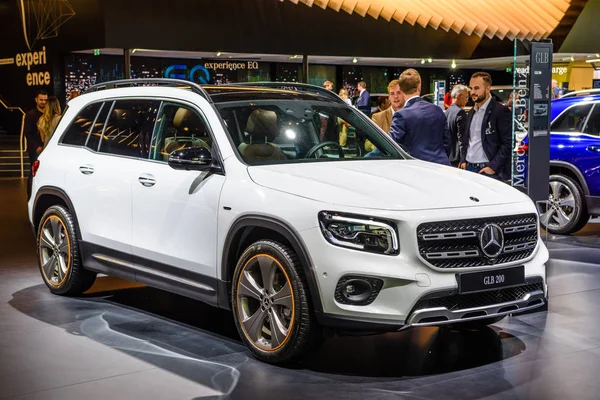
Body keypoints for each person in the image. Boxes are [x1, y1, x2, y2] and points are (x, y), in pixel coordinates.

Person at [389, 69, 450, 165]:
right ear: (419, 87)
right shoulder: (437, 110)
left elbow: (390, 144)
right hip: (442, 166)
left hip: (418, 169)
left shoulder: (401, 115)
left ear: (400, 89)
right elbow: (447, 143)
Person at [459, 72, 512, 180]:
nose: (473, 92)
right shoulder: (471, 112)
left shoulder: (500, 111)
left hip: (487, 170)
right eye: (471, 88)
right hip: (469, 168)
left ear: (488, 89)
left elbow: (508, 143)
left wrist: (493, 167)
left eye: (477, 88)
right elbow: (467, 139)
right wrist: (463, 160)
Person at [24, 90, 48, 199]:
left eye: (45, 100)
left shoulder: (48, 114)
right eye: (41, 100)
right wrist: (36, 147)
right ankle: (30, 196)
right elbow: (28, 133)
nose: (43, 102)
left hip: (47, 149)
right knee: (33, 173)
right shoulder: (31, 115)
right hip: (36, 150)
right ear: (36, 100)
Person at [445, 85, 469, 167]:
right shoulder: (460, 113)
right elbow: (462, 138)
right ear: (459, 96)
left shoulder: (447, 112)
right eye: (466, 97)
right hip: (457, 159)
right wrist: (463, 159)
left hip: (447, 156)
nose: (467, 100)